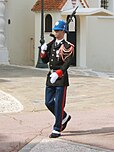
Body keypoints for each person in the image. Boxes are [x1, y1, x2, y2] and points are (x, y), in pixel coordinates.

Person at [40, 20, 74, 138]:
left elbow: (67, 63)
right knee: (48, 102)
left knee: (59, 104)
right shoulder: (51, 44)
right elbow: (45, 61)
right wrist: (43, 52)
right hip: (50, 77)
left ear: (64, 31)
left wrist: (58, 73)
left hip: (61, 78)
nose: (56, 32)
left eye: (58, 30)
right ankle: (64, 117)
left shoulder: (68, 47)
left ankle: (57, 128)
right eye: (55, 30)